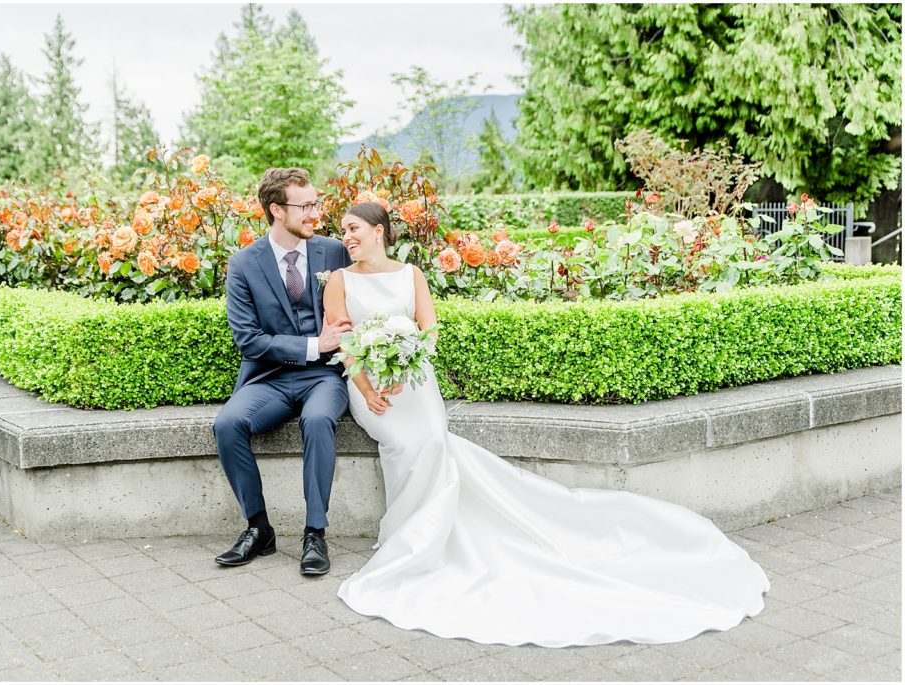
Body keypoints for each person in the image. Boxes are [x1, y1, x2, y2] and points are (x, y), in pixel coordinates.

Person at [322, 202, 770, 647]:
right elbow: (342, 341)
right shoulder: (339, 282)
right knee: (404, 443)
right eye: (343, 230)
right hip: (371, 388)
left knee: (434, 438)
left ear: (380, 230)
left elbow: (429, 327)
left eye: (354, 227)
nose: (347, 236)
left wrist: (410, 363)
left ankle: (420, 534)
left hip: (416, 384)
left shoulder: (410, 274)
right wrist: (367, 388)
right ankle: (408, 534)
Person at [213, 168, 352, 576]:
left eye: (315, 203)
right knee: (228, 424)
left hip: (325, 376)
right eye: (305, 206)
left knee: (318, 418)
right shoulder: (243, 264)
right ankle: (259, 529)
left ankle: (315, 534)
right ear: (277, 209)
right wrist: (314, 344)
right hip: (270, 377)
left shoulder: (334, 252)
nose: (315, 213)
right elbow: (249, 340)